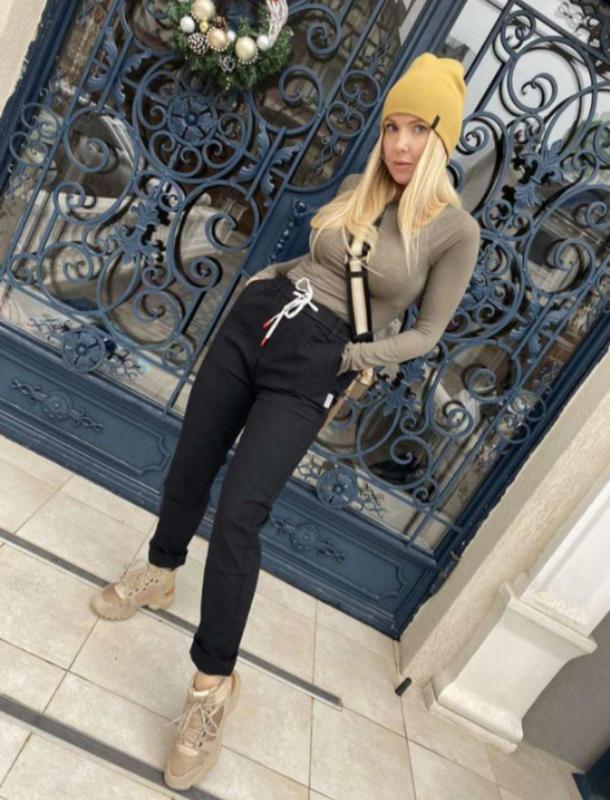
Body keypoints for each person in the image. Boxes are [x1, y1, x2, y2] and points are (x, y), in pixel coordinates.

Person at [90, 51, 481, 791]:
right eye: (393, 127)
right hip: (260, 322)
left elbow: (428, 334)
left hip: (318, 364)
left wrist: (351, 357)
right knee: (192, 460)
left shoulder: (454, 231)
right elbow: (311, 260)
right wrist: (259, 286)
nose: (400, 144)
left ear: (442, 138)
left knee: (241, 514)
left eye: (418, 130)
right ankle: (161, 570)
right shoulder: (357, 188)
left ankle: (210, 688)